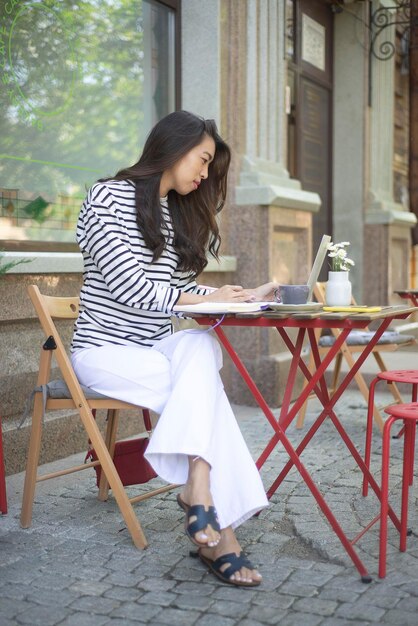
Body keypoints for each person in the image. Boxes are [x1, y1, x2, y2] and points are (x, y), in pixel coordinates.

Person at [71, 110, 278, 587]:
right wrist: (199, 297)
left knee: (199, 345)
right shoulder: (107, 197)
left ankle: (199, 490)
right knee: (206, 392)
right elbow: (134, 290)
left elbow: (176, 290)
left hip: (154, 347)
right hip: (105, 351)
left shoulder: (171, 210)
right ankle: (218, 531)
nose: (205, 174)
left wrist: (235, 295)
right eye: (203, 160)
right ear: (173, 146)